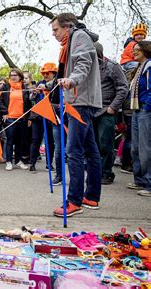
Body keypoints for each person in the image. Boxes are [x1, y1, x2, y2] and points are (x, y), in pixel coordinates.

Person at [50, 13, 102, 217]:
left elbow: (83, 64)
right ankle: (91, 197)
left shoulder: (79, 37)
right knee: (90, 150)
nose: (54, 34)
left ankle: (74, 201)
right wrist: (50, 85)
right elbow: (66, 72)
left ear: (67, 26)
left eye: (55, 30)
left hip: (80, 101)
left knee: (73, 151)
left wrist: (72, 80)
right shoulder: (69, 42)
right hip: (79, 100)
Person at [93, 42, 128, 185]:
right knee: (93, 144)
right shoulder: (87, 67)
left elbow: (123, 87)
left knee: (105, 143)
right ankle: (96, 172)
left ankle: (107, 173)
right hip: (91, 111)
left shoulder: (112, 66)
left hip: (106, 110)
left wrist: (113, 107)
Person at [128, 41, 151, 197]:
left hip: (145, 109)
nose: (134, 52)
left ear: (145, 50)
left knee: (145, 148)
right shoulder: (138, 68)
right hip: (136, 110)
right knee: (135, 147)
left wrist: (147, 107)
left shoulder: (149, 66)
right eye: (133, 50)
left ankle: (149, 183)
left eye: (137, 50)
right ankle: (140, 180)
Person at [0, 68, 31, 171]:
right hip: (10, 118)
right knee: (10, 140)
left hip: (22, 118)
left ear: (20, 76)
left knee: (20, 141)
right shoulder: (5, 87)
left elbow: (28, 104)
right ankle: (8, 161)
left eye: (15, 75)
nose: (13, 77)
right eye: (11, 75)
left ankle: (18, 160)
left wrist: (29, 117)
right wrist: (5, 112)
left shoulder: (25, 87)